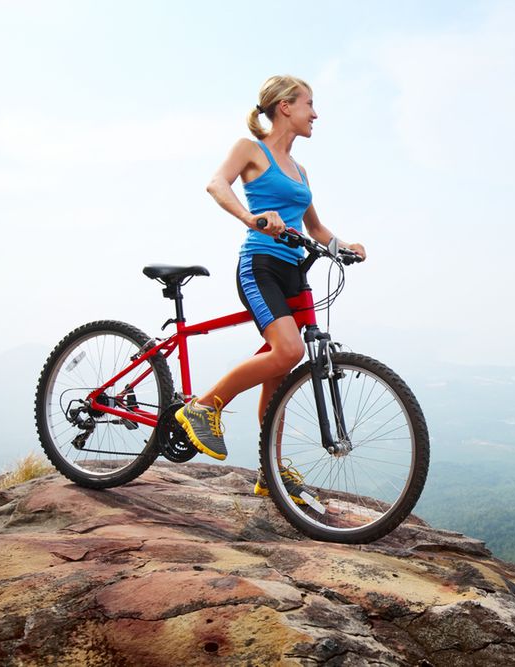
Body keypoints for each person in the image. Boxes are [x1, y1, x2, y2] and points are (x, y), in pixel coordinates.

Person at [175, 75, 366, 496]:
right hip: (260, 265)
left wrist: (344, 245)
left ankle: (270, 470)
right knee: (290, 351)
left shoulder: (300, 171)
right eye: (308, 104)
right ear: (284, 107)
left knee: (279, 368)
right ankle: (204, 407)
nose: (315, 114)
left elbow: (315, 227)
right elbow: (216, 184)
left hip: (296, 270)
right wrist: (251, 218)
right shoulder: (251, 150)